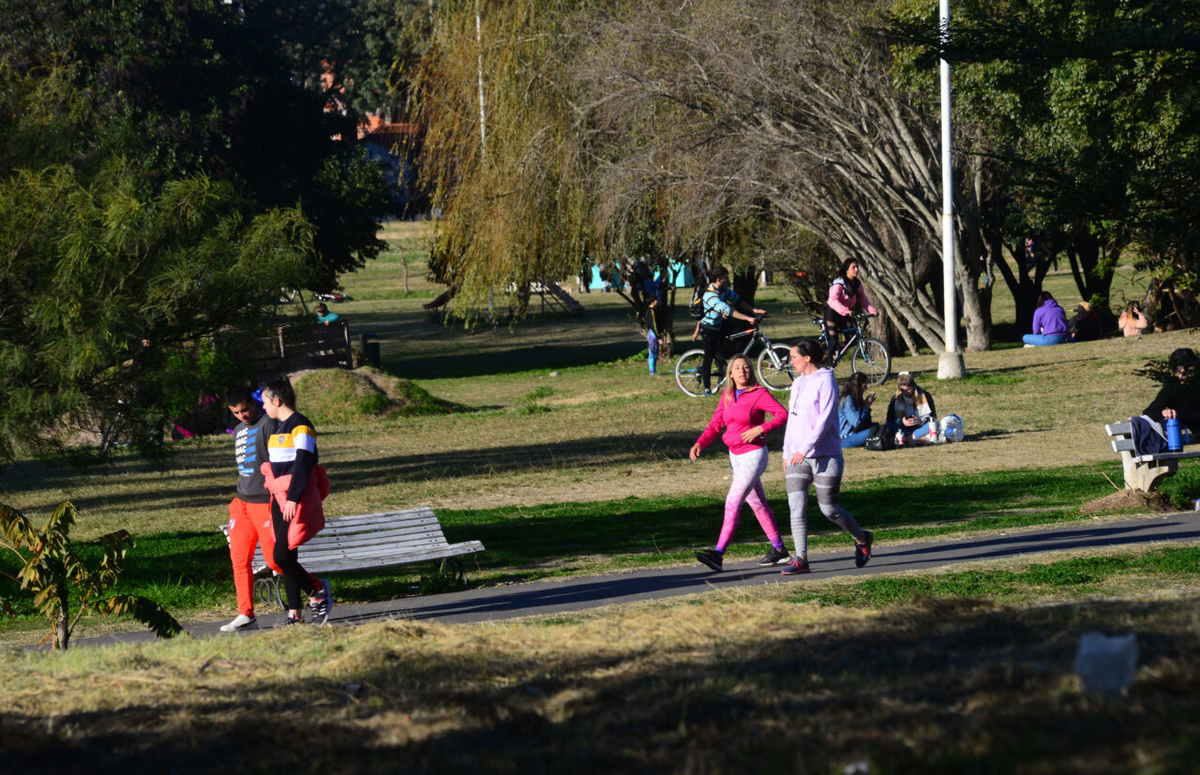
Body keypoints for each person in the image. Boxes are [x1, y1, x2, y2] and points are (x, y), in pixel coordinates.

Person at [779, 338, 874, 575]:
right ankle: (801, 558)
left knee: (829, 510)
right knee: (796, 507)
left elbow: (823, 421)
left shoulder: (826, 381)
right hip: (796, 456)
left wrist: (804, 448)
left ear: (807, 358)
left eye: (794, 358)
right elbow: (793, 418)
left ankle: (862, 539)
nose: (791, 362)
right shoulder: (797, 383)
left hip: (826, 456)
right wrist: (787, 451)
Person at [690, 355, 791, 571]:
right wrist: (700, 443)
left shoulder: (759, 394)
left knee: (733, 501)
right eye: (737, 368)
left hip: (754, 455)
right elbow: (717, 423)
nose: (742, 371)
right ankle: (780, 550)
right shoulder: (727, 395)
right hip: (735, 457)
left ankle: (718, 554)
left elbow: (782, 415)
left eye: (746, 367)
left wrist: (760, 428)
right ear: (730, 374)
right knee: (757, 504)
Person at [260, 378, 333, 625]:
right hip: (278, 498)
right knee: (287, 557)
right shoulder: (279, 427)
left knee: (281, 555)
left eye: (264, 402)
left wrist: (293, 498)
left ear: (276, 401)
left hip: (293, 498)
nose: (263, 407)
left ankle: (317, 591)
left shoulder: (301, 425)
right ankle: (295, 614)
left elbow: (303, 462)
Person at [220, 386, 281, 632]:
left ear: (253, 404)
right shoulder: (237, 431)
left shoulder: (268, 424)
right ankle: (246, 614)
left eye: (245, 409)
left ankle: (316, 588)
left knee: (275, 560)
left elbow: (279, 461)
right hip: (242, 503)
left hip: (264, 502)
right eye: (236, 412)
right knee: (239, 560)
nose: (242, 415)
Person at [691, 266, 765, 396]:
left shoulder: (724, 290)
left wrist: (752, 310)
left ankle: (732, 363)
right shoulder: (710, 295)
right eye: (726, 277)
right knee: (708, 357)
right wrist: (748, 318)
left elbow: (738, 300)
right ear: (719, 279)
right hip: (708, 329)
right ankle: (707, 388)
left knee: (740, 333)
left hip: (720, 325)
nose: (728, 279)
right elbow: (728, 310)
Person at [824, 259, 877, 358]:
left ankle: (834, 354)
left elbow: (863, 299)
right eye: (853, 267)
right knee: (834, 340)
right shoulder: (839, 284)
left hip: (845, 314)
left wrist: (872, 310)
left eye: (857, 267)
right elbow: (832, 300)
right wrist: (845, 310)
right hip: (832, 314)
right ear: (846, 270)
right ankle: (824, 362)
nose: (856, 269)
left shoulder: (857, 284)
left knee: (852, 339)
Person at [1143, 348, 1200, 434]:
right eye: (1180, 370)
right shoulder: (1172, 390)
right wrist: (1163, 412)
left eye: (1190, 369)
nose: (1185, 374)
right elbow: (1149, 412)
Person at [886, 371, 937, 445]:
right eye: (902, 390)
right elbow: (889, 419)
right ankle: (913, 437)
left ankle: (910, 437)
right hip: (903, 428)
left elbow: (933, 417)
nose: (905, 393)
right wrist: (901, 421)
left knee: (935, 424)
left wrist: (920, 420)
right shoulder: (896, 398)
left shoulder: (925, 395)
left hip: (920, 427)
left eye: (908, 390)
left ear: (913, 387)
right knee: (888, 426)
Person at [838, 372, 876, 449]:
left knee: (878, 428)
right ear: (858, 385)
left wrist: (865, 406)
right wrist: (866, 406)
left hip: (855, 433)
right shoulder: (847, 399)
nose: (866, 388)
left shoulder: (857, 397)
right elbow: (856, 422)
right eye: (865, 386)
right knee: (875, 431)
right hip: (845, 438)